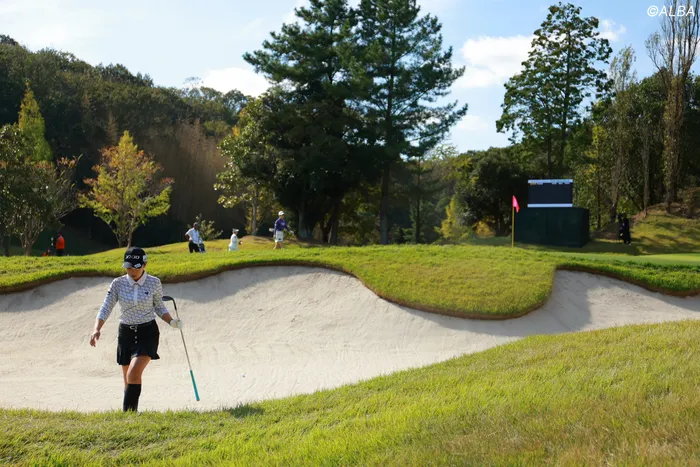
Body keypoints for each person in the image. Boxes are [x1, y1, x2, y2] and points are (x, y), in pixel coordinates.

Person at [89, 246, 183, 412]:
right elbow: (106, 307)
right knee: (128, 380)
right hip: (125, 334)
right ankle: (130, 416)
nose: (131, 271)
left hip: (147, 333)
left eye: (136, 267)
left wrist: (172, 322)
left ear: (144, 265)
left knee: (133, 373)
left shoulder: (154, 282)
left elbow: (159, 307)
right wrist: (97, 329)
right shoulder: (118, 284)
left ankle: (128, 415)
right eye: (128, 267)